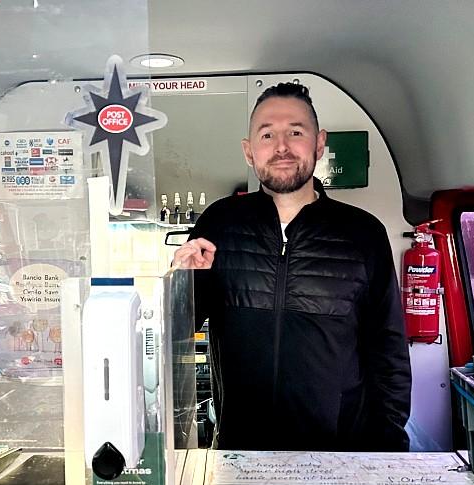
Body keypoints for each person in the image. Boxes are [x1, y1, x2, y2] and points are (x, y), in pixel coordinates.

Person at [173, 82, 411, 451]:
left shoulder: (363, 234)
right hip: (241, 455)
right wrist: (179, 280)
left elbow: (389, 351)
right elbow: (177, 330)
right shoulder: (220, 224)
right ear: (249, 152)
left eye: (295, 132)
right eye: (267, 135)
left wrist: (386, 447)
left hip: (342, 455)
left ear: (319, 143)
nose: (281, 146)